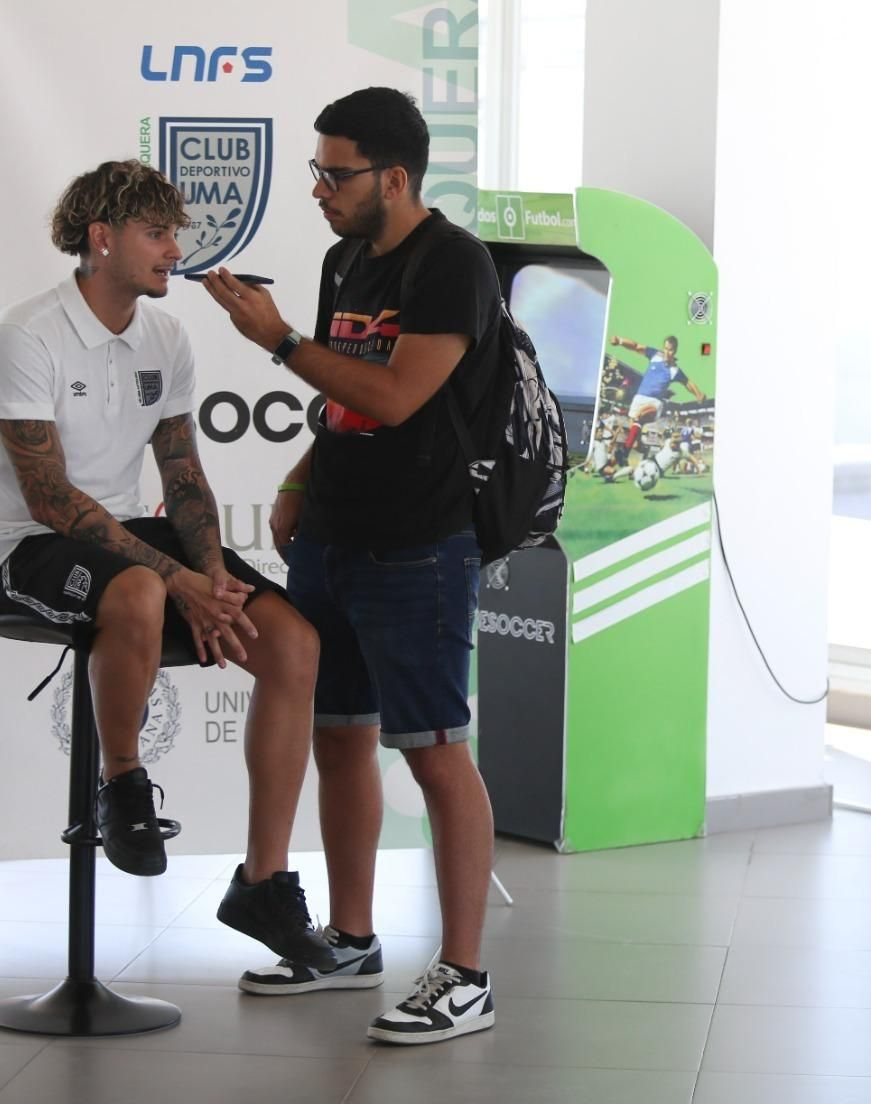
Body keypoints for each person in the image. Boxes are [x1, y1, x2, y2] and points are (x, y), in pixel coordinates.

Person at [0, 160, 332, 969]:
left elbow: (183, 473)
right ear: (103, 240)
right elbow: (48, 498)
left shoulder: (165, 335)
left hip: (128, 530)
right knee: (136, 588)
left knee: (295, 644)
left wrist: (213, 575)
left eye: (176, 233)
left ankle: (263, 883)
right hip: (21, 545)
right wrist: (179, 584)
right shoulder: (23, 335)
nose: (177, 250)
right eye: (157, 233)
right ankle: (123, 787)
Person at [199, 86, 500, 1046]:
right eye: (318, 171)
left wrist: (277, 339)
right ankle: (353, 938)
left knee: (435, 751)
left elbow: (400, 394)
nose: (319, 189)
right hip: (332, 533)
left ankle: (464, 974)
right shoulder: (343, 260)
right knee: (340, 735)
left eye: (336, 173)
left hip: (419, 542)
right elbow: (345, 400)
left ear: (396, 176)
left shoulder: (452, 263)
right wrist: (297, 476)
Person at [608, 334, 707, 473]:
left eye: (671, 350)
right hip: (639, 398)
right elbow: (636, 346)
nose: (667, 352)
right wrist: (620, 341)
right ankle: (629, 456)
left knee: (640, 416)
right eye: (666, 348)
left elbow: (688, 383)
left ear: (675, 351)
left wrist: (698, 394)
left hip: (654, 403)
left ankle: (624, 452)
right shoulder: (655, 355)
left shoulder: (675, 371)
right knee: (635, 439)